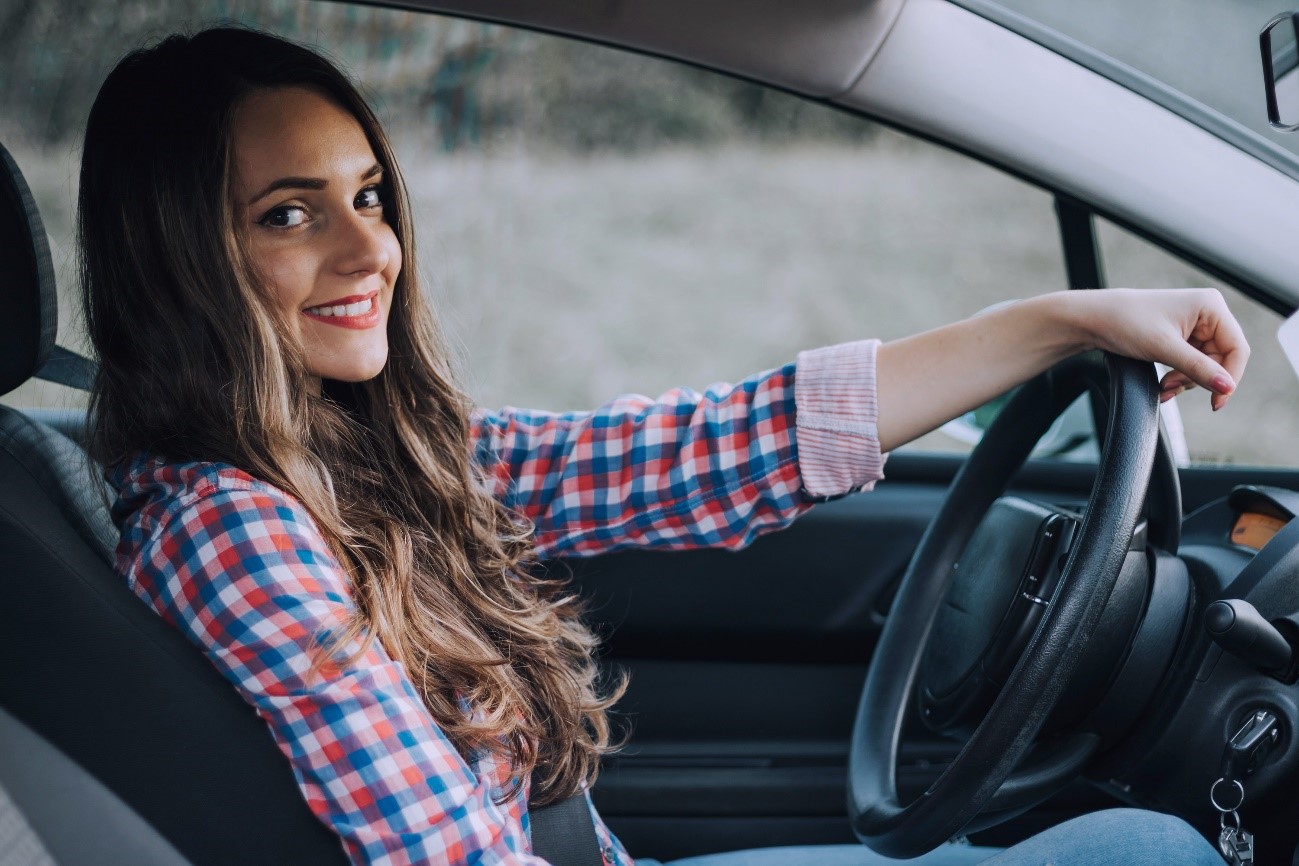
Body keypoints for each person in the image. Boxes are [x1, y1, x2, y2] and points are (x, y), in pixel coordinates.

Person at [79, 26, 1243, 866]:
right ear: (180, 255)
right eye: (288, 213)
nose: (366, 249)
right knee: (1150, 844)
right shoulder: (232, 522)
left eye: (371, 196)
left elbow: (693, 451)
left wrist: (1049, 324)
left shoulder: (369, 453)